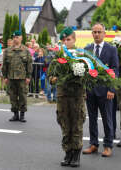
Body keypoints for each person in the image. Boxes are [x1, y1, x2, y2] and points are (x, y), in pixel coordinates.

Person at [47, 27, 86, 167]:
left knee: (76, 125)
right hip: (62, 96)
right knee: (65, 125)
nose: (66, 42)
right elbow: (49, 75)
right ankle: (67, 152)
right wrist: (53, 79)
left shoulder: (81, 55)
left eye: (68, 39)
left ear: (74, 40)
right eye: (63, 40)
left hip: (76, 96)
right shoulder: (58, 57)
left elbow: (87, 75)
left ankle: (76, 155)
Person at [83, 23, 119, 157]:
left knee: (107, 119)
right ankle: (93, 144)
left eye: (99, 32)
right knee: (92, 119)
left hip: (105, 91)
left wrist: (112, 89)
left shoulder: (111, 49)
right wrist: (85, 89)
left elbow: (115, 70)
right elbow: (85, 71)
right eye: (94, 32)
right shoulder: (87, 49)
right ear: (92, 34)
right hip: (90, 91)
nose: (97, 34)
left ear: (104, 33)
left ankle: (108, 145)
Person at [2, 30, 32, 122]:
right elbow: (5, 65)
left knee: (22, 96)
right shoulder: (7, 51)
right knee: (12, 96)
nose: (15, 39)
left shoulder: (26, 50)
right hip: (11, 77)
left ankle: (22, 115)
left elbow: (29, 64)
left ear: (21, 38)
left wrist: (28, 76)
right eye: (14, 37)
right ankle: (15, 114)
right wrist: (5, 76)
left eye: (17, 37)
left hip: (22, 78)